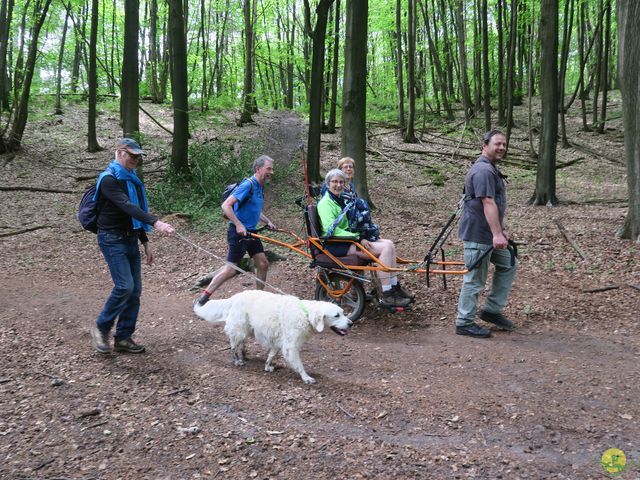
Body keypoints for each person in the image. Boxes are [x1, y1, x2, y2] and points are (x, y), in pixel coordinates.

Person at [90, 138, 175, 354]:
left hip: (129, 238)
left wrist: (145, 242)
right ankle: (101, 328)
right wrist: (156, 222)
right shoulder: (109, 180)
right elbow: (127, 206)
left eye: (139, 156)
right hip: (111, 238)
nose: (136, 159)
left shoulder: (132, 180)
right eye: (132, 155)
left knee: (135, 291)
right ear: (119, 153)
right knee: (124, 287)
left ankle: (124, 338)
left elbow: (133, 212)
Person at [317, 169, 413, 308]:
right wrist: (357, 238)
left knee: (389, 244)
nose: (338, 185)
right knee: (385, 248)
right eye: (334, 182)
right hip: (337, 243)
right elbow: (330, 229)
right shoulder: (326, 203)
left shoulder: (340, 200)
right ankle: (387, 295)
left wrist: (363, 234)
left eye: (341, 182)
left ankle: (394, 287)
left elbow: (352, 222)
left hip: (348, 239)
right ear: (328, 183)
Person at [455, 129, 517, 338]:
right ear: (485, 145)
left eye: (504, 145)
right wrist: (497, 234)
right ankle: (464, 322)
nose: (501, 148)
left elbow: (493, 204)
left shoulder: (490, 169)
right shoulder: (483, 171)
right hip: (478, 235)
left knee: (509, 263)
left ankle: (491, 310)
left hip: (489, 234)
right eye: (497, 144)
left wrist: (500, 231)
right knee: (474, 279)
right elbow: (487, 202)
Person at [195, 155, 276, 306]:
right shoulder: (248, 185)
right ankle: (202, 299)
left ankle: (258, 299)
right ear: (258, 169)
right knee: (230, 270)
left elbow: (255, 209)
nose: (272, 172)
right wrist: (239, 225)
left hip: (251, 233)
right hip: (238, 233)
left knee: (263, 263)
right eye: (269, 168)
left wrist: (268, 221)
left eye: (272, 168)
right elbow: (226, 205)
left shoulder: (260, 186)